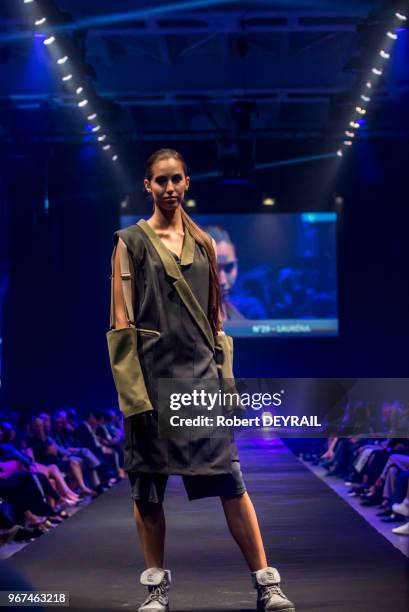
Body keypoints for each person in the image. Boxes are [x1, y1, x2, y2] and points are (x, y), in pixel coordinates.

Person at [108, 148, 295, 612]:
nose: (169, 188)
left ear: (187, 182)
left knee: (231, 482)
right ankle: (156, 589)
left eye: (176, 179)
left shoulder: (204, 244)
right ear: (146, 185)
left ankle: (266, 582)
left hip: (200, 382)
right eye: (160, 180)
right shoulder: (129, 241)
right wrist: (134, 398)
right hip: (151, 382)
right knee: (148, 488)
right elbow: (120, 322)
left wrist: (224, 384)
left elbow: (216, 324)